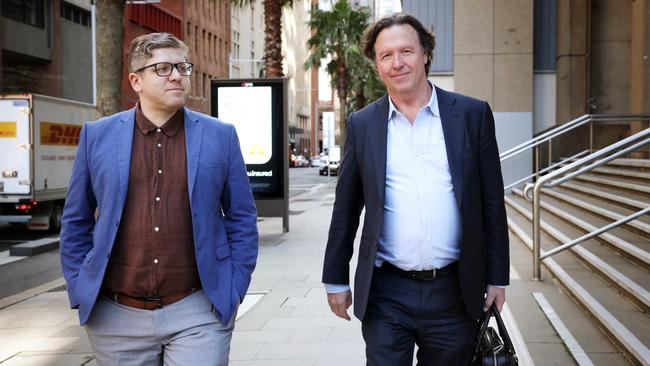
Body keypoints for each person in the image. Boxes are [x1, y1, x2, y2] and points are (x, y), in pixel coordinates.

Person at [60, 32, 258, 365]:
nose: (178, 75)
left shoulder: (220, 136)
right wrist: (80, 287)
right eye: (163, 68)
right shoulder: (98, 136)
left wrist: (233, 287)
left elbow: (241, 217)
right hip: (115, 317)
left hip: (198, 310)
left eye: (183, 66)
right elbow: (76, 219)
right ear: (136, 80)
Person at [322, 13, 509, 366]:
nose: (397, 63)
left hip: (455, 291)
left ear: (425, 53)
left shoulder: (472, 115)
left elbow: (491, 204)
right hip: (386, 291)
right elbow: (346, 209)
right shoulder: (362, 125)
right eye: (386, 55)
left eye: (406, 51)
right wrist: (335, 278)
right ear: (377, 65)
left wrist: (498, 278)